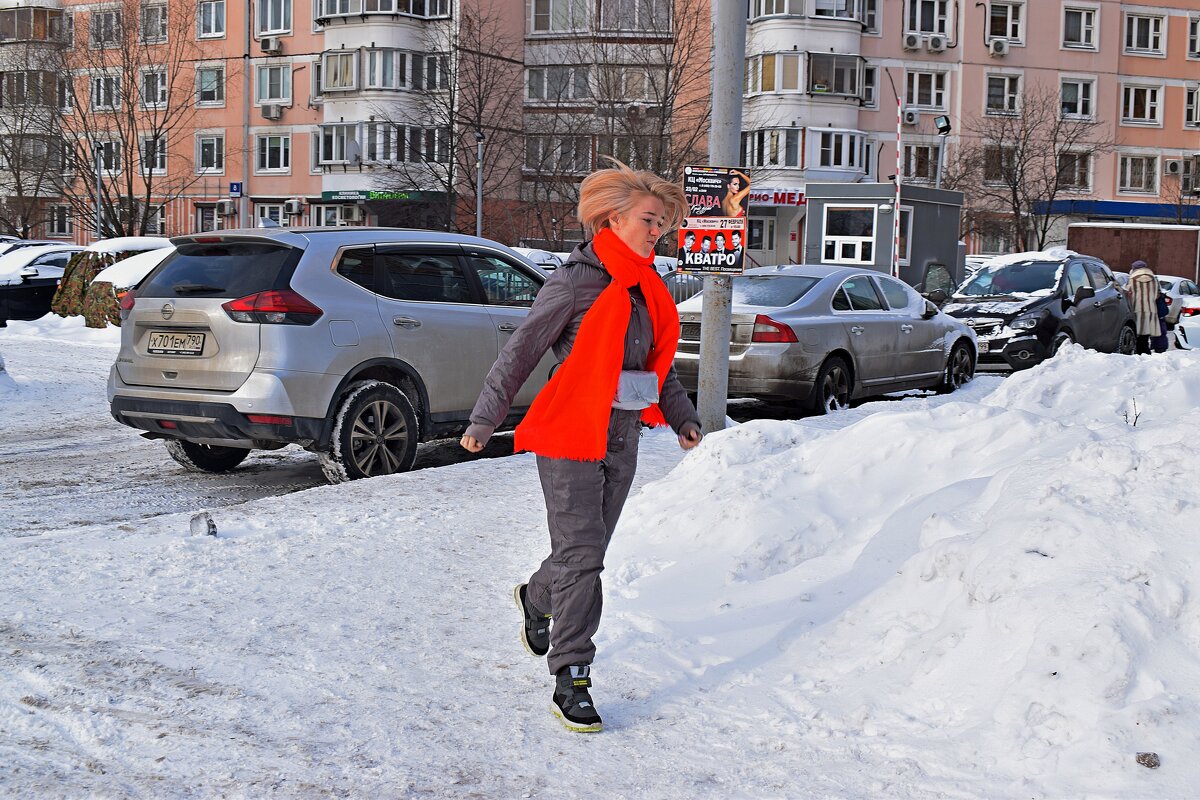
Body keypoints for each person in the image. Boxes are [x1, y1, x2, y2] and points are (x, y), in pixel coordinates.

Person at [460, 161, 703, 733]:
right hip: (571, 433)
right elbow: (519, 354)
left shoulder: (650, 289)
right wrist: (483, 418)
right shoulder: (573, 283)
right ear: (612, 218)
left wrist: (682, 417)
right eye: (649, 220)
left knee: (581, 554)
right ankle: (572, 674)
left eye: (663, 224)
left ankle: (536, 596)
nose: (656, 232)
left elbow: (655, 367)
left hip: (622, 437)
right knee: (585, 555)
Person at [1123, 260, 1161, 354]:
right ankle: (1145, 352)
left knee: (1137, 333)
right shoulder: (1154, 279)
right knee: (1145, 335)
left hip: (1137, 309)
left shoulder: (1132, 279)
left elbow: (1127, 292)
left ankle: (1140, 353)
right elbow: (1157, 295)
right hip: (1151, 310)